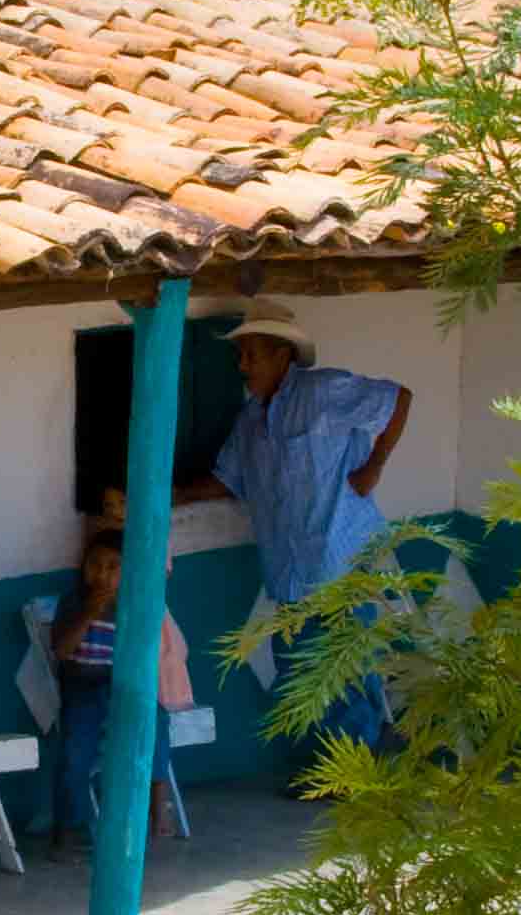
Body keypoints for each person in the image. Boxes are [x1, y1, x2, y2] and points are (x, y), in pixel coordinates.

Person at [178, 305, 412, 782]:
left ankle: (352, 770)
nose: (242, 366)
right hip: (288, 574)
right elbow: (227, 481)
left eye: (251, 355)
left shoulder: (323, 391)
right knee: (302, 676)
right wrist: (167, 496)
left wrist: (375, 468)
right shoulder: (250, 421)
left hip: (340, 560)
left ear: (283, 355)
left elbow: (399, 399)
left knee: (339, 670)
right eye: (241, 356)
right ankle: (339, 763)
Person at [41, 516, 183, 856]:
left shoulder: (135, 605)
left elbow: (152, 651)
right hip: (83, 688)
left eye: (113, 567)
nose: (102, 575)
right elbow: (62, 651)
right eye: (95, 565)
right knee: (75, 755)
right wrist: (90, 612)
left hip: (124, 686)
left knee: (155, 726)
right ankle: (69, 828)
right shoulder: (73, 602)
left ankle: (157, 808)